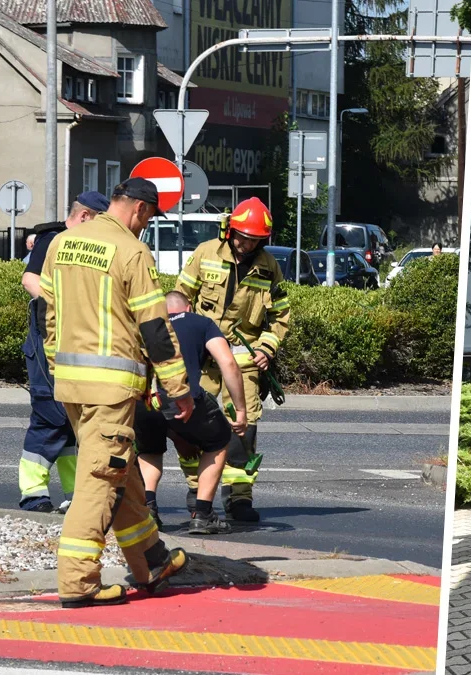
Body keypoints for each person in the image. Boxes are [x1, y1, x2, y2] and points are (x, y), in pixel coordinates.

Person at [38, 177, 190, 608]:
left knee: (119, 473)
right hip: (111, 389)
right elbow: (156, 330)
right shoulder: (132, 251)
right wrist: (178, 388)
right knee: (99, 483)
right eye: (148, 218)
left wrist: (56, 367)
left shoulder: (64, 243)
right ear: (140, 210)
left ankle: (152, 561)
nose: (145, 226)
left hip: (70, 384)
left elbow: (49, 315)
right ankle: (78, 583)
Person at [174, 197, 291, 522]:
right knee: (194, 425)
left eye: (255, 239)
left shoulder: (268, 266)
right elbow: (180, 300)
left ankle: (239, 498)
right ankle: (198, 491)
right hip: (202, 359)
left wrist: (266, 349)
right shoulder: (205, 253)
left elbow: (280, 316)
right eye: (242, 237)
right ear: (229, 231)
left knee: (245, 428)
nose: (247, 244)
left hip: (243, 361)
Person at [17, 191, 109, 513]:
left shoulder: (76, 243)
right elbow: (30, 279)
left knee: (70, 421)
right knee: (51, 415)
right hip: (46, 345)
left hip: (67, 345)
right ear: (84, 216)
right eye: (100, 222)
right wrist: (67, 300)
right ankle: (33, 494)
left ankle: (74, 493)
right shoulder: (54, 239)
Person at [134, 292, 248, 535]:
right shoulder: (201, 322)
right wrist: (240, 409)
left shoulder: (147, 325)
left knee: (150, 450)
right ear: (189, 306)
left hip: (144, 402)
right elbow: (228, 363)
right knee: (219, 440)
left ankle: (149, 511)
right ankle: (203, 514)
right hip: (183, 398)